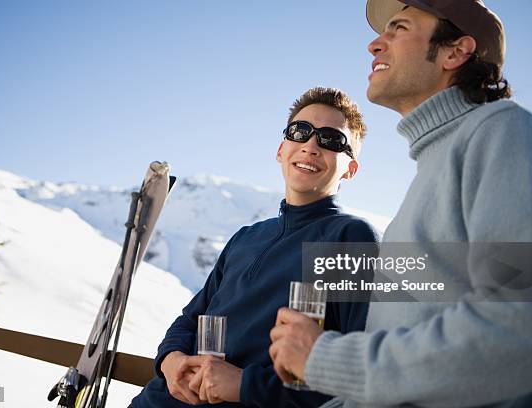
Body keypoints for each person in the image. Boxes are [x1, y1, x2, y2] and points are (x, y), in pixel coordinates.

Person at [269, 1, 532, 407]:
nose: (374, 45)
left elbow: (522, 325)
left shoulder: (503, 131)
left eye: (398, 28)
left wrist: (324, 358)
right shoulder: (432, 169)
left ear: (455, 52)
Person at [130, 87, 378, 408]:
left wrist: (245, 385)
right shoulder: (246, 237)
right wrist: (171, 360)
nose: (311, 146)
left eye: (331, 140)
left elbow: (354, 371)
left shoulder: (350, 237)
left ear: (351, 169)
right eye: (300, 132)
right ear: (281, 150)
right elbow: (190, 319)